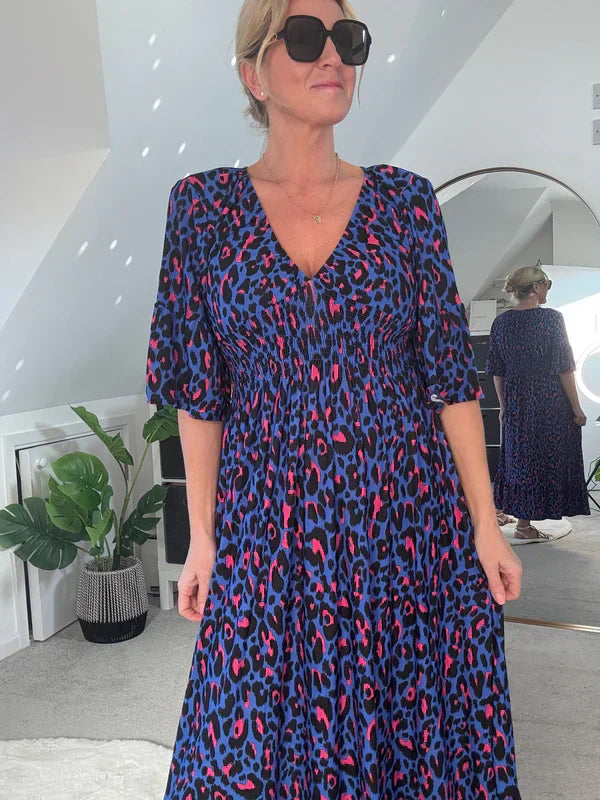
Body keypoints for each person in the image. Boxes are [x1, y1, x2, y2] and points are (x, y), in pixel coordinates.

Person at [145, 1, 523, 797]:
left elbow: (449, 379)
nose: (333, 58)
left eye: (348, 40)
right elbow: (199, 394)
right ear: (253, 74)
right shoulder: (202, 209)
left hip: (406, 517)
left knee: (410, 722)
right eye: (306, 38)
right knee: (247, 729)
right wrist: (203, 538)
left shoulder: (406, 203)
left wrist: (486, 523)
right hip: (267, 523)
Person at [486, 265, 590, 540]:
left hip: (516, 399)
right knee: (545, 458)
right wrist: (576, 408)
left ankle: (507, 514)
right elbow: (564, 367)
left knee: (517, 457)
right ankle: (523, 526)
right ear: (535, 287)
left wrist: (503, 406)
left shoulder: (501, 322)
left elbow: (497, 370)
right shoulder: (551, 319)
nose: (547, 290)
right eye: (546, 284)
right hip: (548, 400)